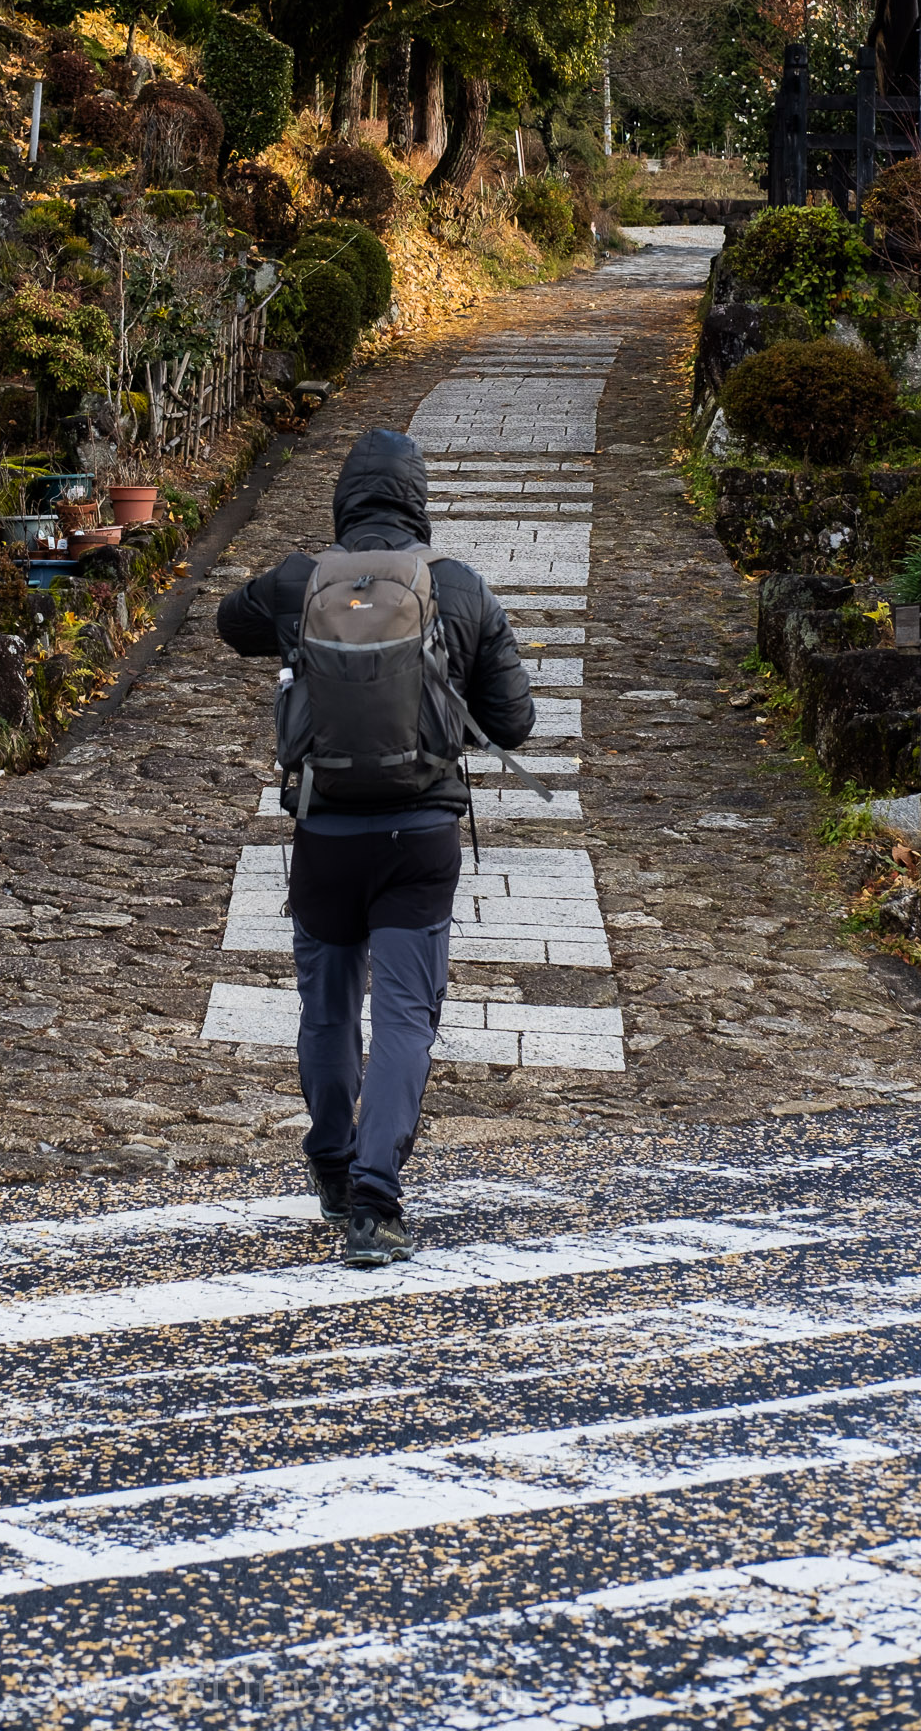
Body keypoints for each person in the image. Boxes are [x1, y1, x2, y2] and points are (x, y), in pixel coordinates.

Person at [217, 427, 533, 1266]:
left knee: (325, 1008)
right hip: (419, 837)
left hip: (323, 831)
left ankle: (329, 1163)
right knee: (402, 1017)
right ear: (417, 499)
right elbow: (513, 723)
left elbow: (226, 624)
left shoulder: (299, 581)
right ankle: (374, 1204)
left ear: (344, 499)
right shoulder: (458, 588)